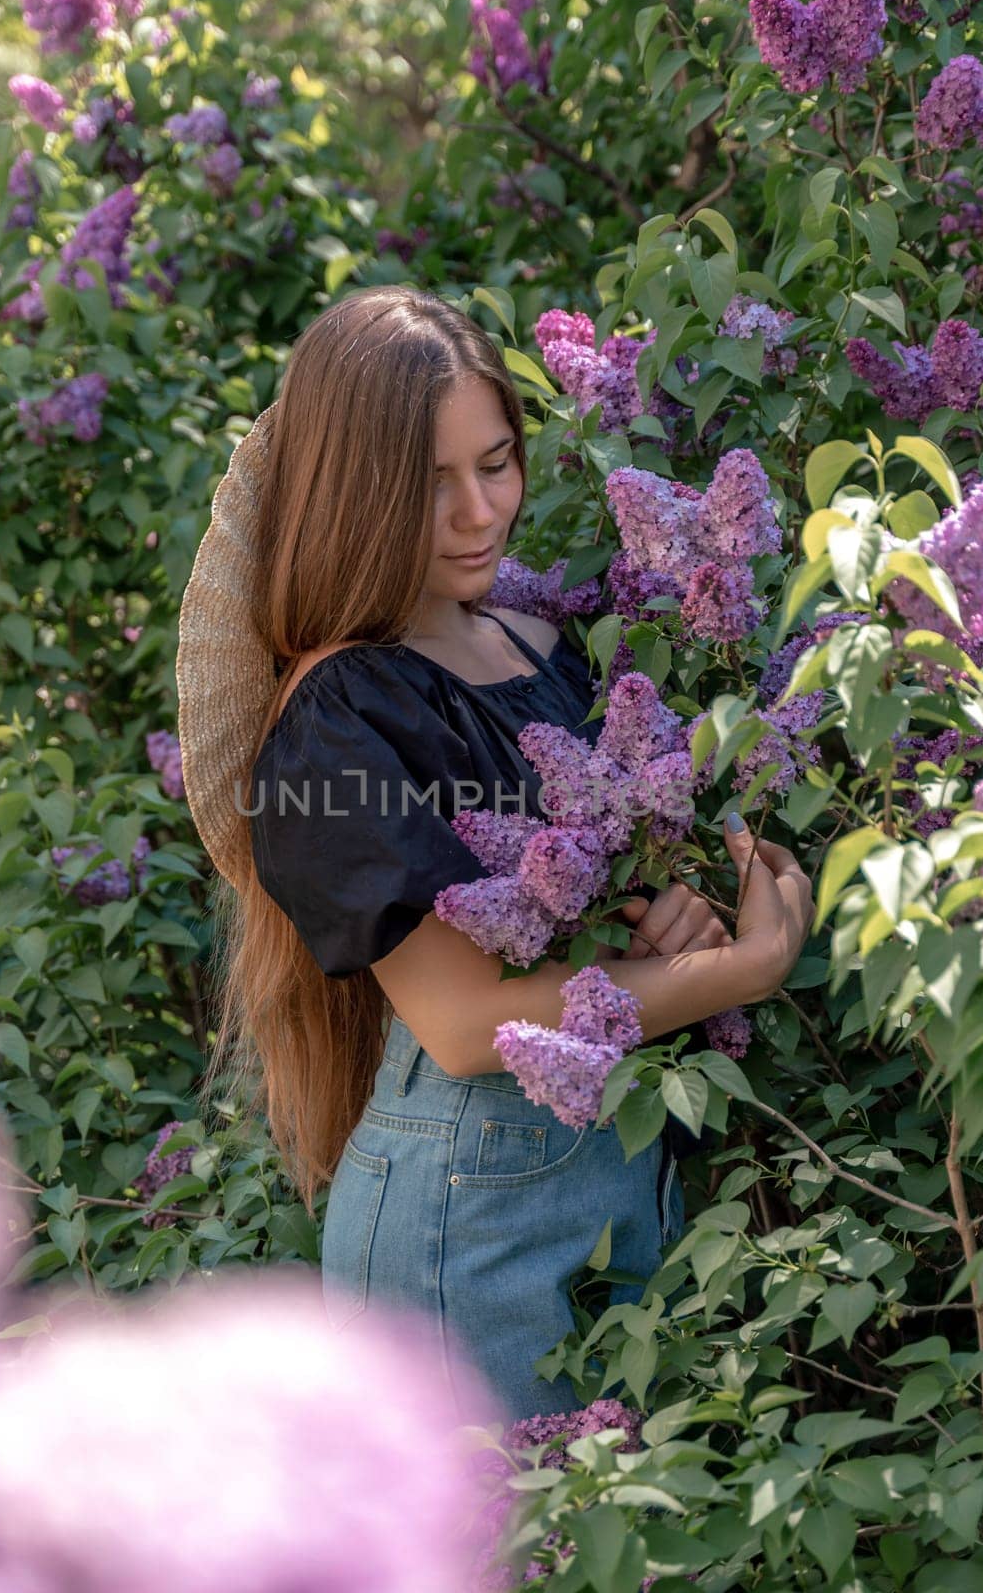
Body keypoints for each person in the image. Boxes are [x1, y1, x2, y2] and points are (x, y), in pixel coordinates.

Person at [175, 284, 813, 1422]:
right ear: (353, 494)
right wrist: (742, 970)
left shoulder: (538, 642)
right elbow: (470, 1026)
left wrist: (675, 913)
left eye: (497, 462)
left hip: (618, 1165)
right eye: (427, 483)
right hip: (463, 1219)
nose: (478, 512)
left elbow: (604, 892)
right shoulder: (339, 718)